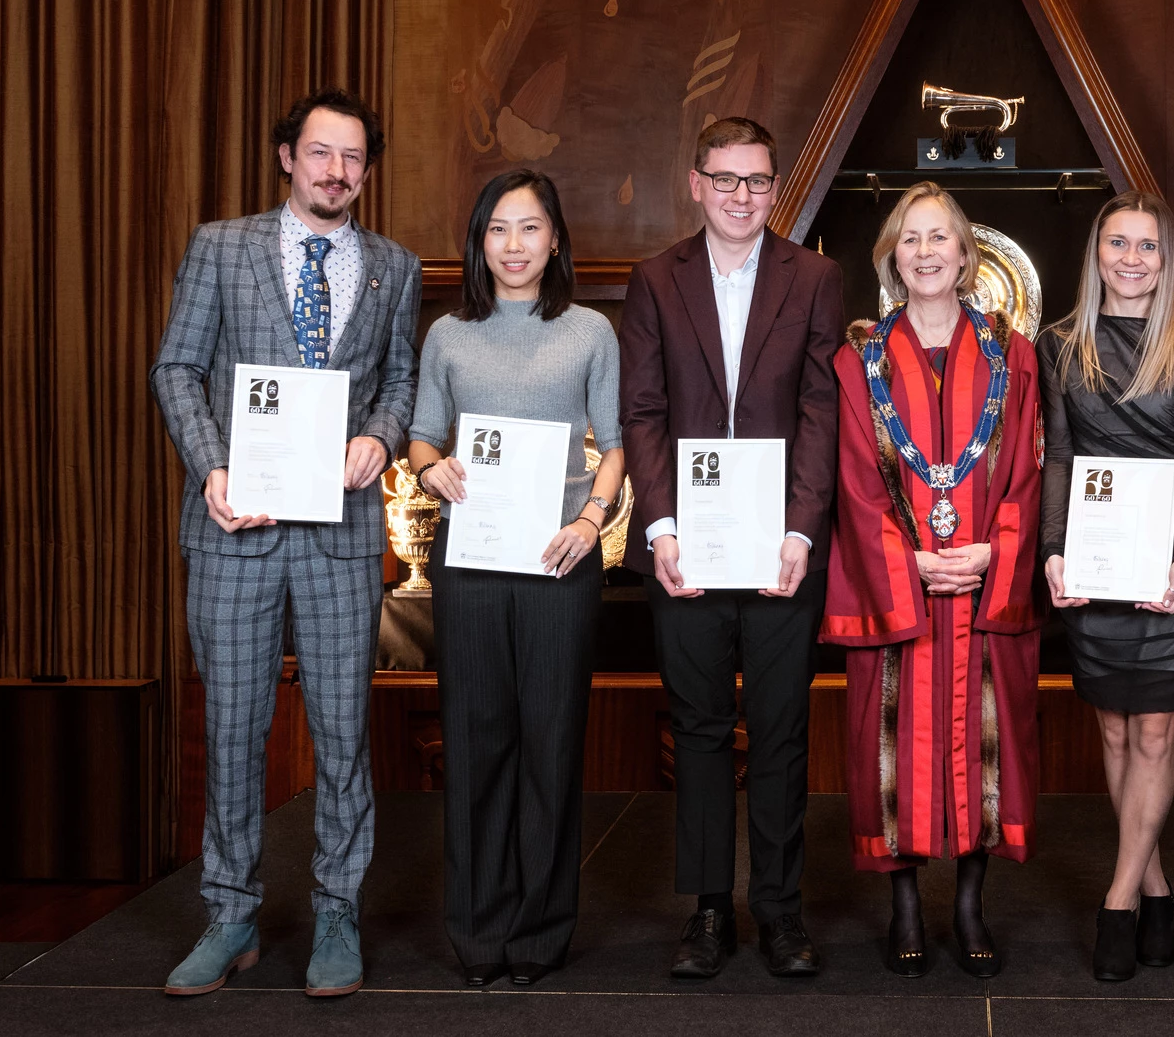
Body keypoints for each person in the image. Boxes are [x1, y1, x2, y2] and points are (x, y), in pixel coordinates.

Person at [150, 88, 422, 998]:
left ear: (365, 172)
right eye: (320, 153)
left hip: (341, 534)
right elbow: (176, 367)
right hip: (235, 531)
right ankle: (229, 916)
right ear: (286, 156)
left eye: (352, 159)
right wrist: (211, 466)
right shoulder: (220, 246)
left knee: (343, 734)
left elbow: (401, 379)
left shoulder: (392, 265)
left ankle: (336, 911)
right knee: (233, 730)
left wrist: (381, 436)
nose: (336, 171)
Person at [618, 117, 844, 980]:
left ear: (774, 187)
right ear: (696, 182)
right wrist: (660, 527)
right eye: (726, 179)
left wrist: (800, 528)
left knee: (782, 730)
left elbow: (822, 408)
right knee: (702, 729)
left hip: (782, 549)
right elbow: (642, 409)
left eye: (757, 181)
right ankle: (710, 909)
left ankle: (780, 910)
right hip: (686, 550)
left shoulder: (815, 276)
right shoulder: (653, 279)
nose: (741, 195)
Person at [406, 170, 623, 988]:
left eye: (530, 228)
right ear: (479, 240)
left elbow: (621, 439)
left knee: (549, 745)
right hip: (472, 560)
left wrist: (590, 519)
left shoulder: (590, 332)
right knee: (475, 743)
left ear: (555, 239)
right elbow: (423, 436)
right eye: (498, 229)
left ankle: (539, 931)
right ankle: (477, 931)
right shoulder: (449, 337)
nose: (514, 245)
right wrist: (434, 473)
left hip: (558, 561)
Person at [825, 181, 1043, 980]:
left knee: (988, 748)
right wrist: (907, 561)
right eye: (909, 239)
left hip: (986, 584)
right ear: (891, 256)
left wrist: (993, 553)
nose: (924, 252)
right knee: (891, 749)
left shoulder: (1010, 356)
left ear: (965, 253)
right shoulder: (860, 361)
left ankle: (969, 903)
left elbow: (1027, 471)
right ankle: (906, 906)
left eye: (939, 237)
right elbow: (852, 480)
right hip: (900, 590)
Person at [1040, 191, 1174, 982]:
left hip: (1171, 562)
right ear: (1097, 253)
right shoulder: (1059, 342)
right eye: (1117, 243)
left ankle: (1117, 899)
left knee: (1154, 732)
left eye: (1147, 246)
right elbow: (1055, 453)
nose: (1131, 259)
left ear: (1166, 257)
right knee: (1114, 731)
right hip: (1095, 555)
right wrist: (1052, 549)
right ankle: (1154, 884)